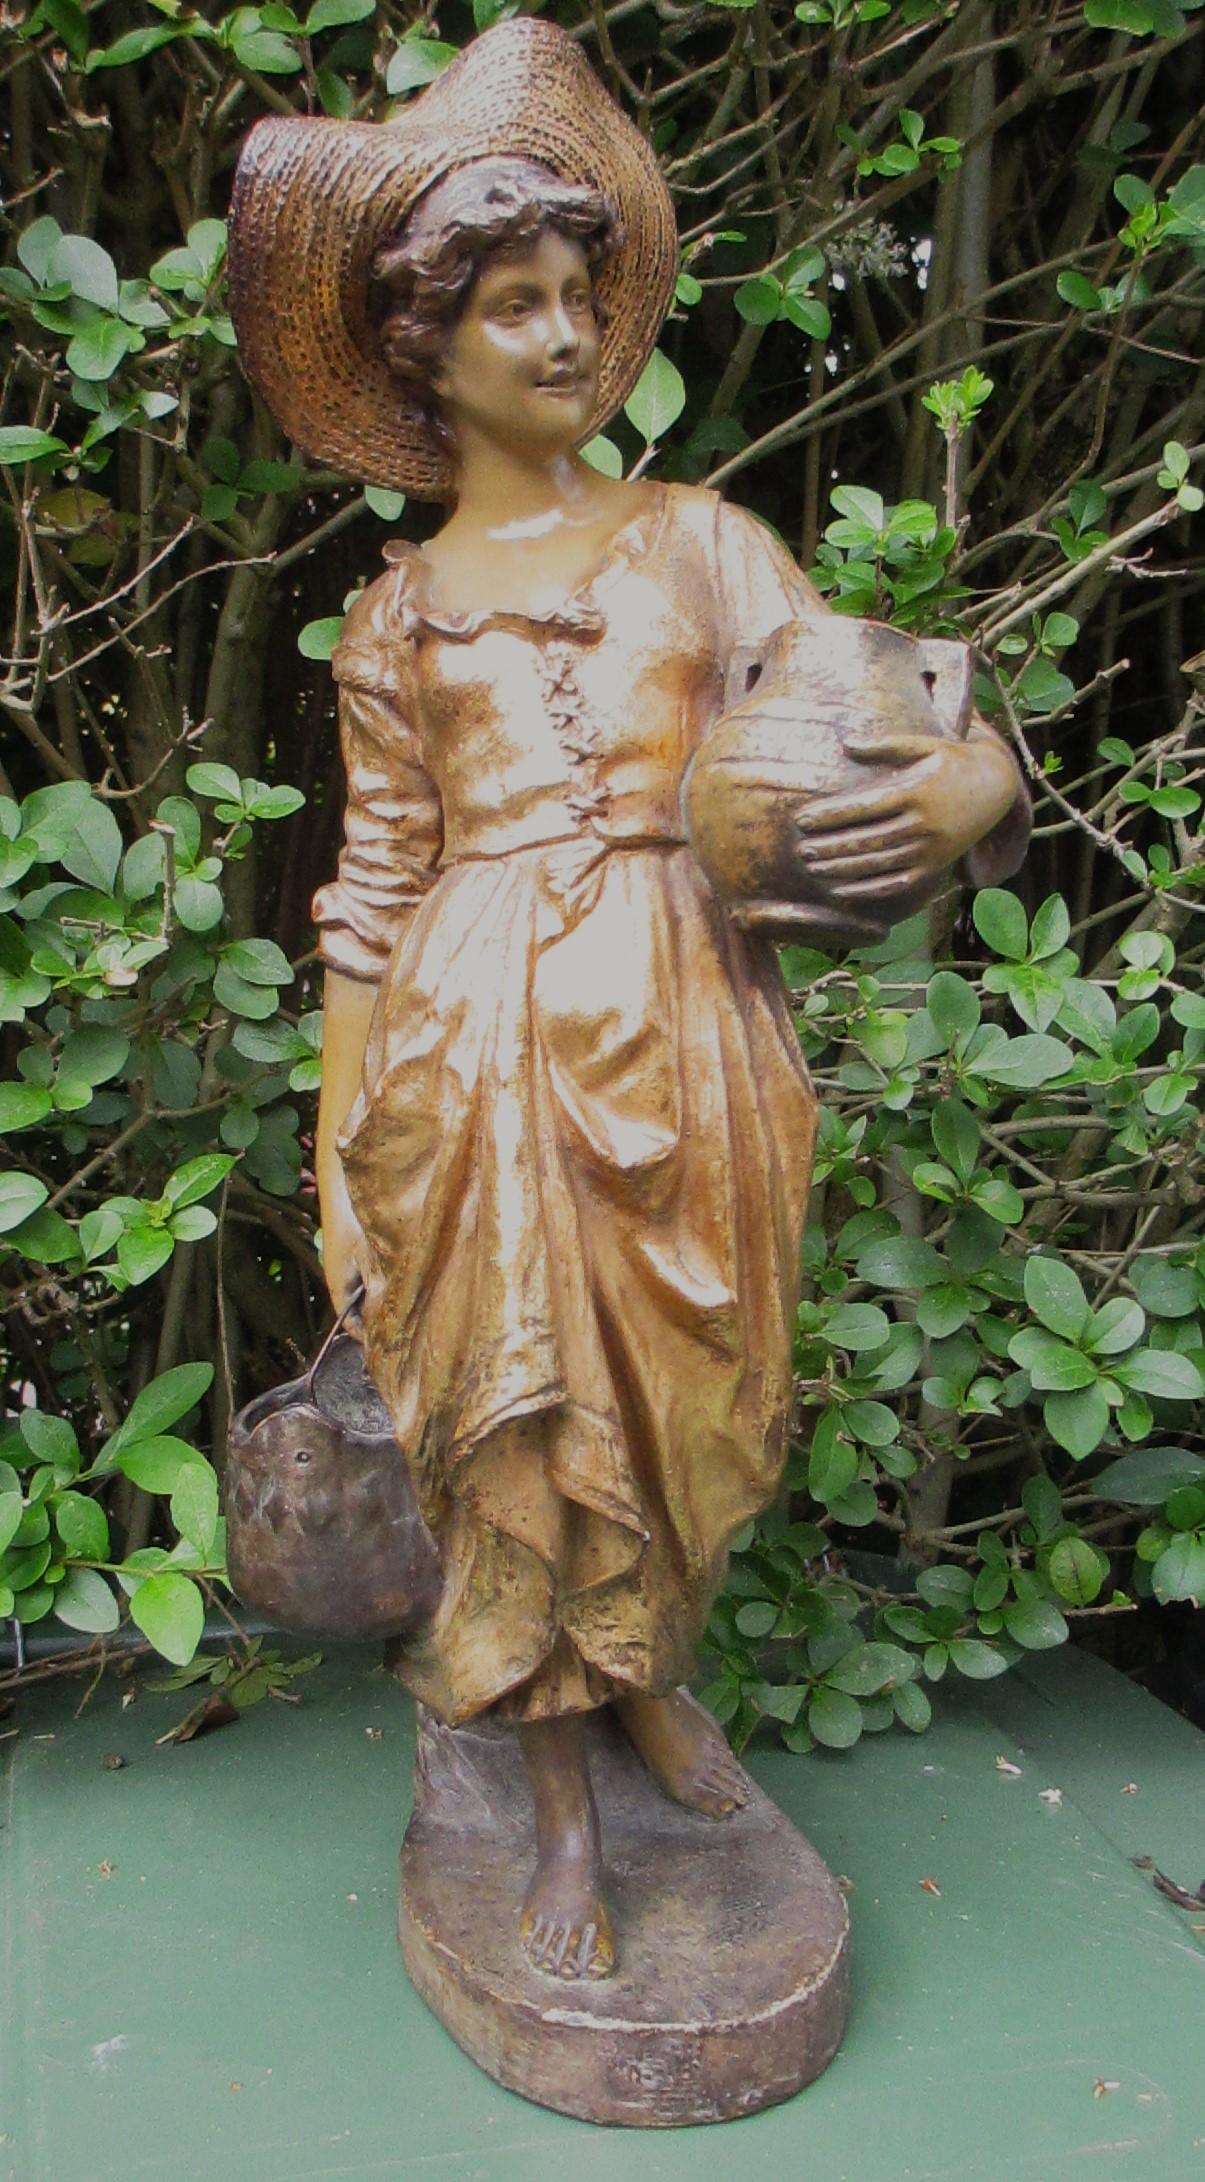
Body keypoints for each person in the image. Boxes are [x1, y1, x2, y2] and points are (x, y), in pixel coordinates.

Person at [229, 18, 1024, 1987]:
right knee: (515, 1422)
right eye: (513, 306)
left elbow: (897, 710)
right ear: (425, 347)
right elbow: (369, 898)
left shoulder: (704, 544)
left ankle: (657, 1683)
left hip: (694, 1039)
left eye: (581, 297)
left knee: (689, 1405)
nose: (566, 335)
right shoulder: (399, 616)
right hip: (476, 1062)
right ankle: (559, 1797)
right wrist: (338, 1159)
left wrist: (972, 787)